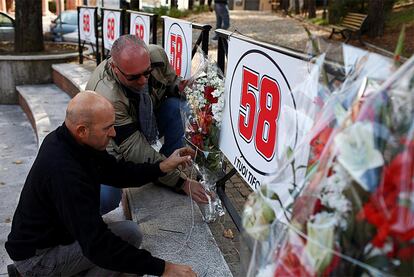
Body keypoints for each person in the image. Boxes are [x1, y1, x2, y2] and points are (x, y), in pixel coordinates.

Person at [5, 91, 197, 276]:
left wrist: (162, 166)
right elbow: (97, 246)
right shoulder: (64, 171)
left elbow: (118, 172)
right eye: (107, 128)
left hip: (58, 236)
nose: (113, 133)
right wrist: (163, 269)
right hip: (37, 259)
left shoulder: (74, 141)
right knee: (121, 252)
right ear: (82, 130)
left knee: (131, 234)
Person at [86, 35, 209, 215]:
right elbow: (135, 150)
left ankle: (171, 164)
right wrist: (182, 182)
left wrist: (190, 89)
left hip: (144, 118)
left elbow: (171, 82)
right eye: (133, 77)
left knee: (180, 107)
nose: (143, 81)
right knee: (107, 197)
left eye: (147, 72)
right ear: (115, 68)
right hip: (111, 148)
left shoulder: (156, 56)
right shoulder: (108, 97)